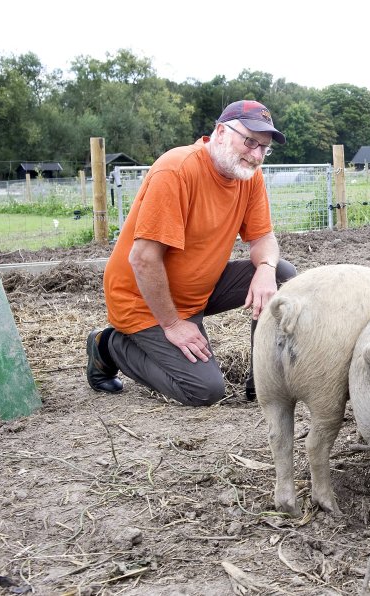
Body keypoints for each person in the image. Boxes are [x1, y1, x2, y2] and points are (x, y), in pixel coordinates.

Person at [86, 100, 296, 406]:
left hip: (198, 290)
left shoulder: (249, 177)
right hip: (144, 300)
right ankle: (109, 345)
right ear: (221, 132)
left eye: (264, 148)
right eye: (250, 142)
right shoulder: (177, 170)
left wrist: (265, 266)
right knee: (204, 390)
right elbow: (143, 259)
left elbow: (263, 237)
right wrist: (172, 325)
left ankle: (263, 381)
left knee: (281, 274)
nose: (256, 155)